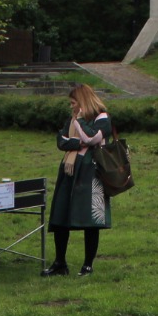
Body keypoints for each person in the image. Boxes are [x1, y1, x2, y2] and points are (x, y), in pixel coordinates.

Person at [45, 84, 112, 276]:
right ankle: (60, 263)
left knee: (91, 218)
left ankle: (87, 265)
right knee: (60, 214)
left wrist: (81, 122)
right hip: (69, 169)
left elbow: (91, 138)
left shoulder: (102, 118)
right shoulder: (72, 119)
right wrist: (78, 142)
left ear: (83, 102)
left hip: (92, 171)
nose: (71, 107)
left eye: (73, 103)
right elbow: (61, 140)